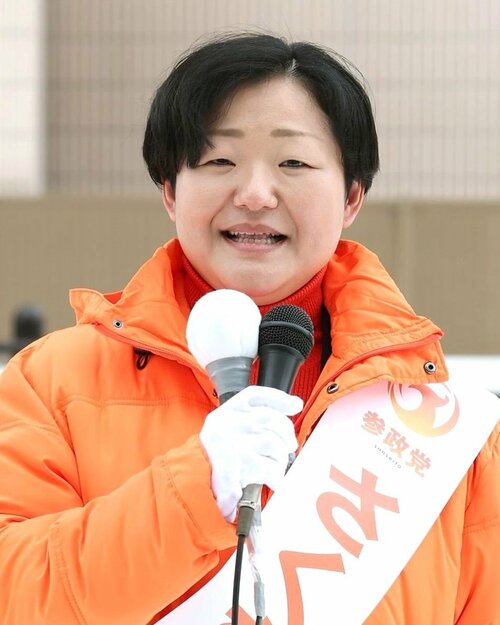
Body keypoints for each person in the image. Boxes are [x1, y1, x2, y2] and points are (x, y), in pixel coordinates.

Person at [0, 32, 498, 625]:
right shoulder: (50, 382)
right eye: (219, 162)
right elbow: (14, 594)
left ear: (352, 196)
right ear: (169, 190)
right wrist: (193, 491)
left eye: (293, 163)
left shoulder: (442, 427)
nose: (256, 195)